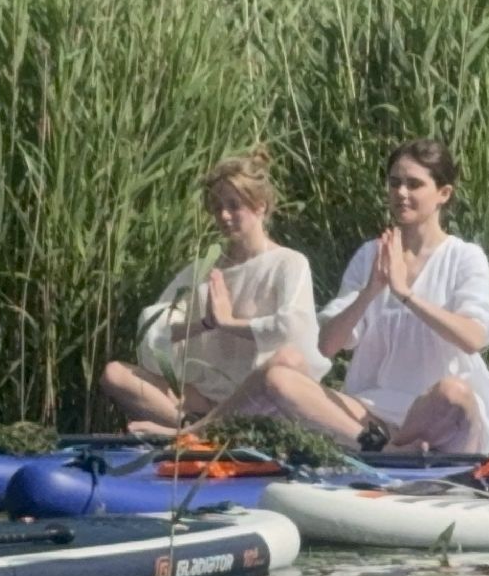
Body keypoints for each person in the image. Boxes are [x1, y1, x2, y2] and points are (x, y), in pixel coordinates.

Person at [257, 139, 489, 454]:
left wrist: (405, 294)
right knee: (280, 379)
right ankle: (387, 449)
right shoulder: (371, 255)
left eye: (414, 184)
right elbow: (326, 346)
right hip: (372, 411)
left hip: (437, 411)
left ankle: (396, 449)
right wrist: (370, 291)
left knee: (453, 393)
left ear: (443, 193)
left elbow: (474, 337)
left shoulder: (464, 257)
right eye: (394, 183)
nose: (401, 193)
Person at [101, 150, 329, 434]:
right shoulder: (205, 267)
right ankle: (203, 428)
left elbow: (293, 328)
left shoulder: (288, 262)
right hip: (206, 398)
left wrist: (231, 324)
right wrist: (203, 324)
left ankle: (197, 432)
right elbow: (154, 330)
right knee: (116, 374)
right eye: (218, 207)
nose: (224, 215)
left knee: (286, 362)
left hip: (258, 397)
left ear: (260, 206)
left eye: (234, 206)